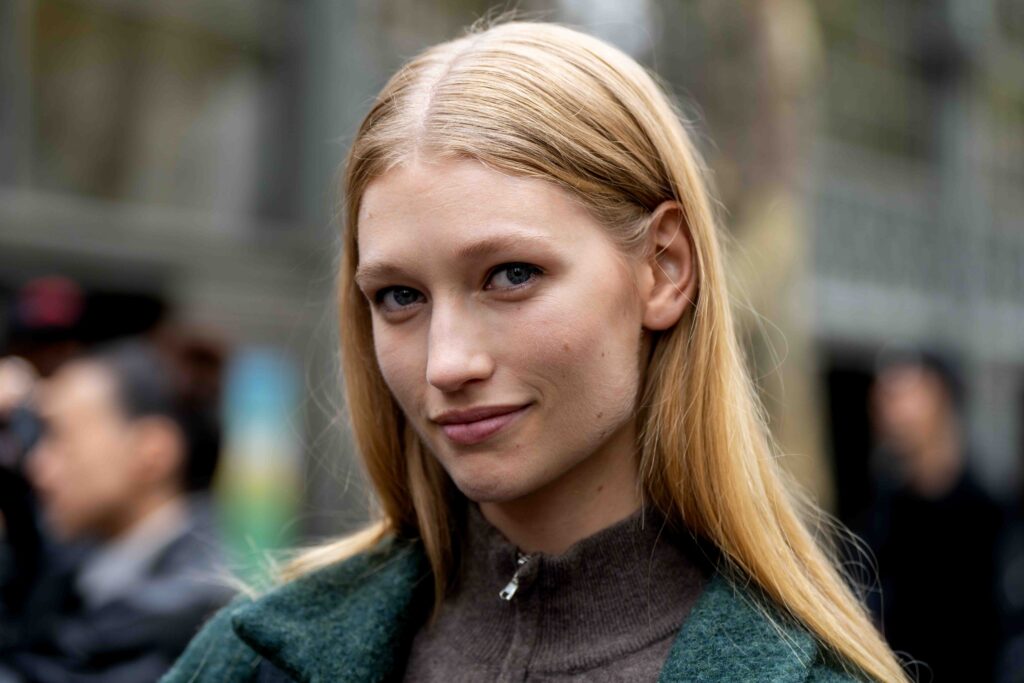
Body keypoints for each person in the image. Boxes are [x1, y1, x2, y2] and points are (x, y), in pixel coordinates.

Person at [162, 20, 907, 682]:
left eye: (511, 276)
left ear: (664, 268)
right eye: (399, 296)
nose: (446, 364)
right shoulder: (252, 657)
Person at [0, 339, 231, 682]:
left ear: (152, 451)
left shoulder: (191, 613)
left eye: (59, 436)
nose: (37, 466)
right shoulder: (85, 567)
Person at [862, 350, 1004, 682]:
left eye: (903, 395)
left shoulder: (990, 516)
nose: (888, 411)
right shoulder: (882, 514)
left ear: (940, 398)